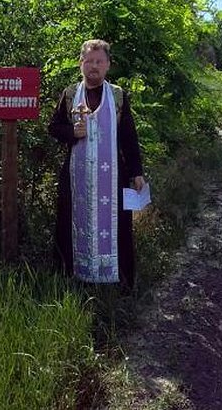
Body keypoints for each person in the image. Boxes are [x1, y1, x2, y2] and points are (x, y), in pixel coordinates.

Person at [48, 39, 145, 290]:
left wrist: (136, 173)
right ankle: (71, 276)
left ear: (108, 65)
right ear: (81, 63)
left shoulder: (118, 96)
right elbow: (53, 128)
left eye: (99, 62)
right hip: (76, 179)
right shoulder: (70, 95)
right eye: (89, 61)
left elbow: (129, 137)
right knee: (69, 223)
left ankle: (119, 282)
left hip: (112, 178)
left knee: (118, 226)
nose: (94, 66)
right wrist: (72, 132)